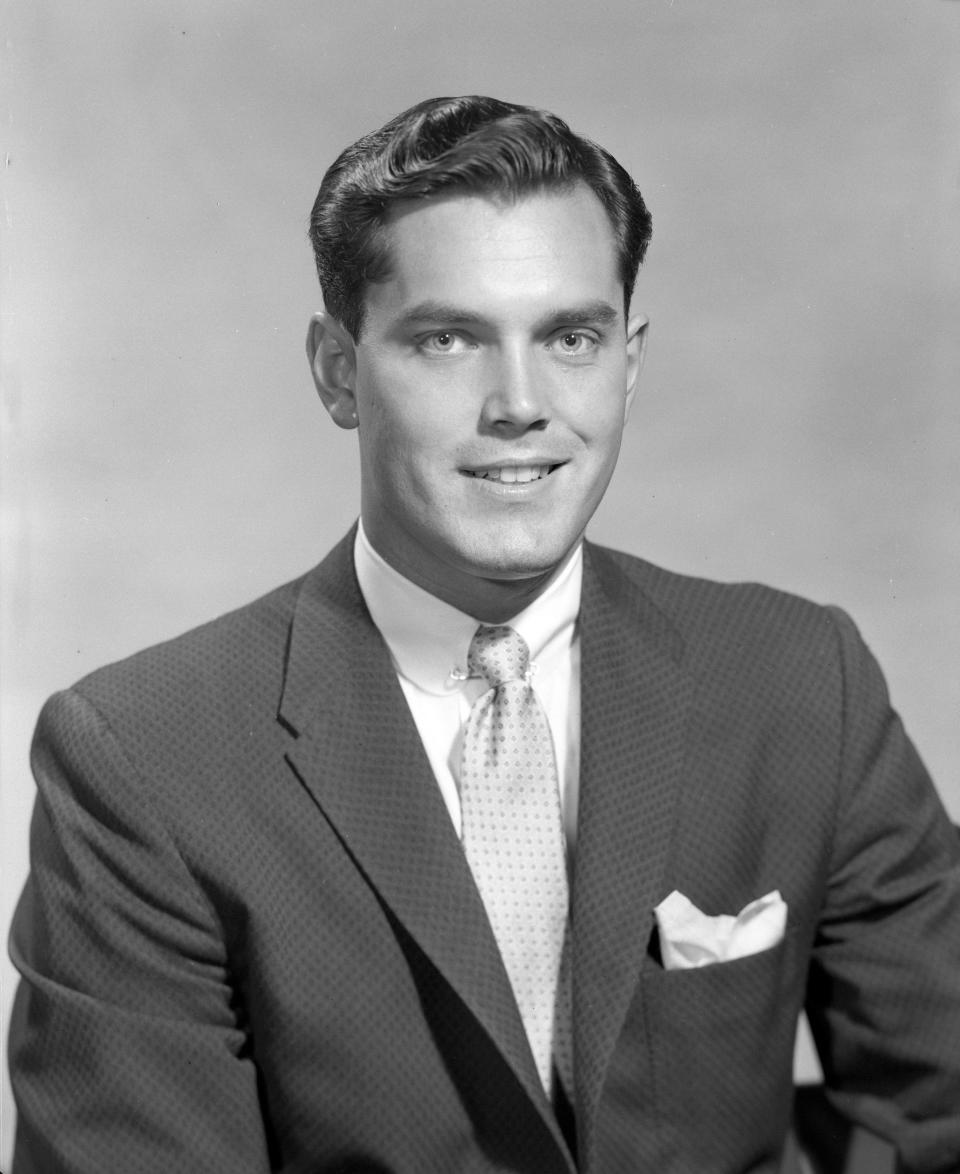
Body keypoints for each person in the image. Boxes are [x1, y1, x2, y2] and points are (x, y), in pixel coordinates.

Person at [7, 95, 960, 1174]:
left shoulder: (799, 681)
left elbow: (935, 1112)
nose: (521, 403)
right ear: (336, 370)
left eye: (571, 337)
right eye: (448, 338)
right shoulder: (145, 758)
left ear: (630, 362)